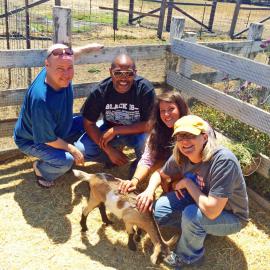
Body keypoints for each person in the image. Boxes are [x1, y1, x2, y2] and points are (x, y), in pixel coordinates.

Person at [136, 115, 249, 269]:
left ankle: (189, 258)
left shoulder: (223, 161)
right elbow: (159, 174)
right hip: (200, 200)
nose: (184, 141)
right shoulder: (180, 154)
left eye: (190, 136)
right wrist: (149, 191)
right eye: (180, 137)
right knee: (156, 211)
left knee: (191, 215)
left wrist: (188, 183)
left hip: (230, 215)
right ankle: (198, 231)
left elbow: (212, 211)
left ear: (204, 137)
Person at [14, 42, 104, 188]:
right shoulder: (41, 100)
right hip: (32, 139)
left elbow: (73, 54)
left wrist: (89, 48)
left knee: (90, 122)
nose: (66, 74)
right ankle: (41, 168)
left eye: (70, 68)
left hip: (58, 127)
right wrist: (72, 149)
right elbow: (47, 139)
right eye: (61, 69)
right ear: (47, 65)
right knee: (66, 161)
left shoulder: (54, 67)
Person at [75, 53, 155, 172]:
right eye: (118, 73)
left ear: (135, 73)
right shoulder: (100, 91)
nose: (124, 78)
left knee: (147, 140)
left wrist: (116, 130)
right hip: (108, 129)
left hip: (136, 132)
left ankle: (141, 165)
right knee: (82, 150)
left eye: (129, 73)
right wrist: (109, 150)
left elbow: (150, 124)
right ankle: (111, 157)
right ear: (110, 72)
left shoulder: (145, 89)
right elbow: (88, 123)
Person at [119, 91, 189, 194]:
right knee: (154, 168)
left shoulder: (192, 129)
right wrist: (134, 180)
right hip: (168, 168)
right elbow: (147, 159)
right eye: (162, 111)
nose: (166, 114)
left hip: (191, 172)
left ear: (181, 109)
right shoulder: (157, 132)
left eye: (171, 109)